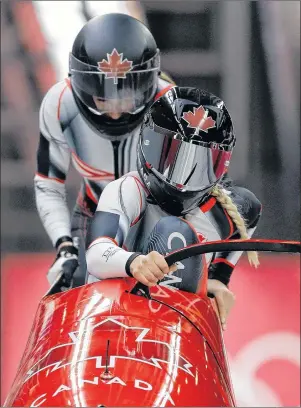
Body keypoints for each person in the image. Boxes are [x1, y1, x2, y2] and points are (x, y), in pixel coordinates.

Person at [85, 86, 262, 330]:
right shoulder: (127, 189)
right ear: (149, 144)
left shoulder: (227, 208)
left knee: (173, 232)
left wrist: (218, 281)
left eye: (200, 165)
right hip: (110, 327)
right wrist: (134, 262)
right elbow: (96, 254)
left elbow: (250, 212)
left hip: (177, 346)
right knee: (172, 231)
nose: (183, 181)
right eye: (172, 157)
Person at [34, 13, 175, 285]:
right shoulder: (60, 104)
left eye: (125, 97)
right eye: (102, 98)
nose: (114, 113)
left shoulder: (170, 106)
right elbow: (48, 184)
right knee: (71, 282)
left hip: (156, 221)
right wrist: (64, 246)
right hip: (92, 215)